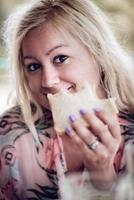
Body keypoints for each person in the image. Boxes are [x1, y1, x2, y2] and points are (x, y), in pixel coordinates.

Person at [0, 0, 134, 199]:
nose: (48, 81)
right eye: (34, 66)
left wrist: (103, 176)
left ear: (98, 54)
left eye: (60, 58)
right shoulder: (9, 135)